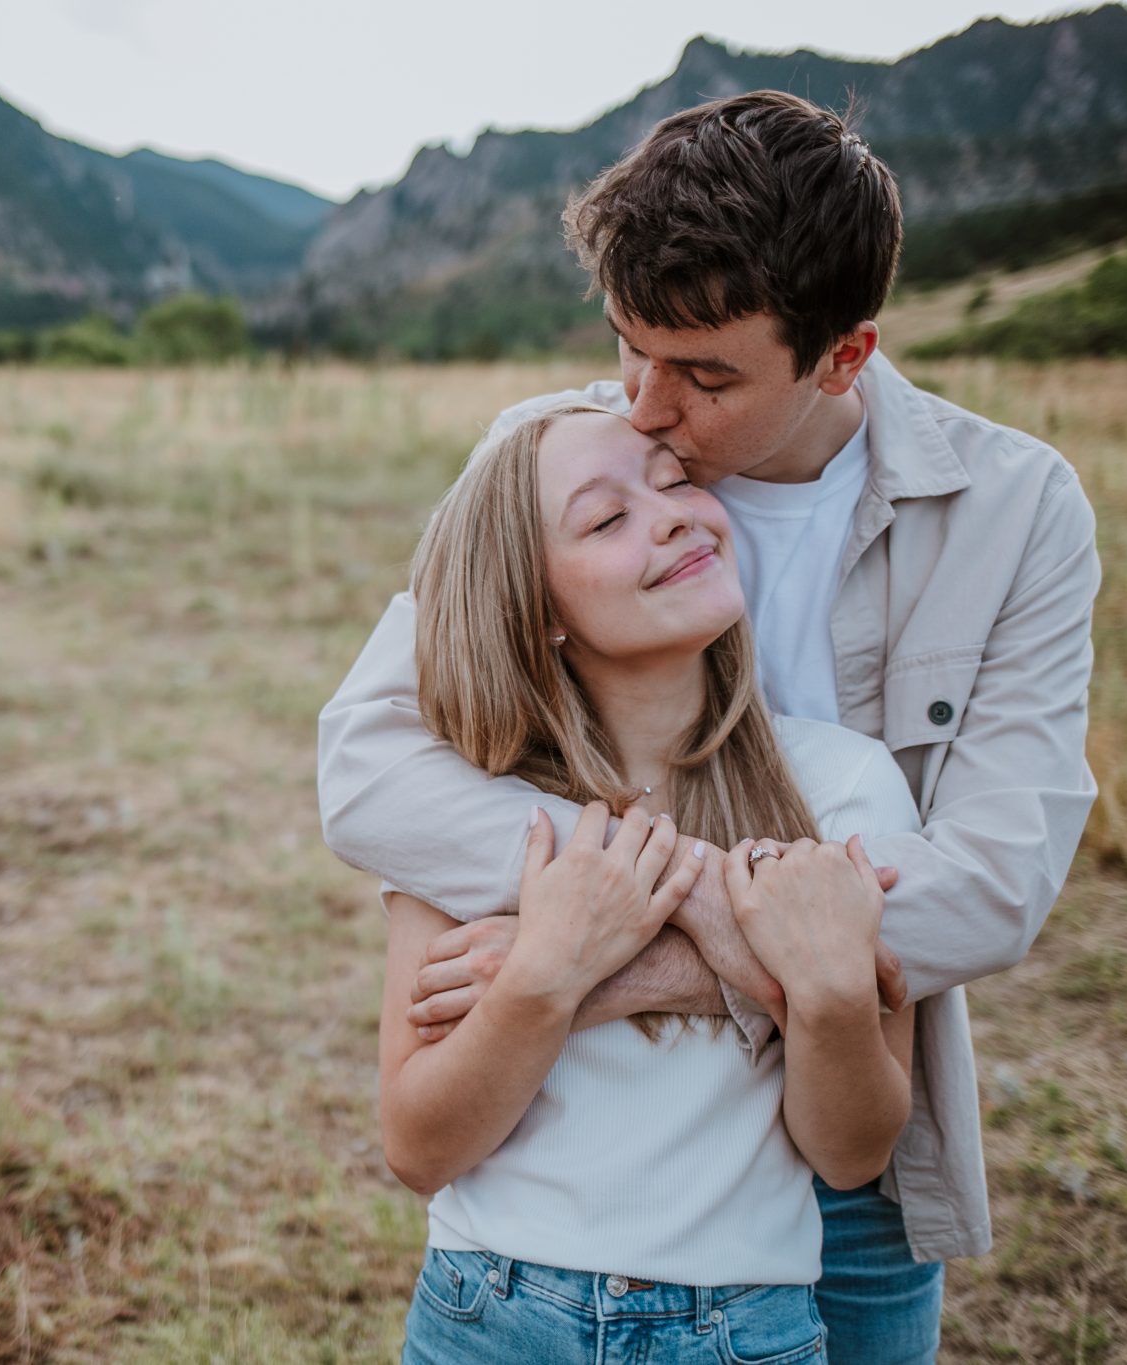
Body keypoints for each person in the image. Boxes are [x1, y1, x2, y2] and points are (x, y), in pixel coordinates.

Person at [320, 91, 1100, 1363]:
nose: (641, 406)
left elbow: (998, 879)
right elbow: (366, 768)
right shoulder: (563, 459)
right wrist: (626, 913)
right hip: (548, 1190)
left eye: (701, 376)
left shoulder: (1014, 511)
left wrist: (638, 961)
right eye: (628, 346)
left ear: (840, 357)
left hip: (847, 1138)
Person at [380, 401, 917, 1362]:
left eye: (674, 484)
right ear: (536, 609)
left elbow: (854, 1150)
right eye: (604, 518)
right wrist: (546, 976)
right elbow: (419, 1147)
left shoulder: (842, 787)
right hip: (488, 1312)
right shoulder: (470, 813)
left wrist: (829, 1000)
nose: (669, 514)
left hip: (741, 1329)